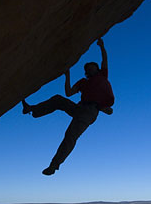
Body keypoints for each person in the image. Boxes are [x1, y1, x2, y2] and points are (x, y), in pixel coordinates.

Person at [22, 38, 115, 175]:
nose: (90, 68)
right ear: (86, 72)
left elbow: (105, 59)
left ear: (97, 68)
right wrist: (67, 75)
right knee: (58, 99)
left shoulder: (102, 75)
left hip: (89, 111)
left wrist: (102, 46)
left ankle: (53, 166)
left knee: (70, 136)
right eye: (88, 68)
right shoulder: (83, 82)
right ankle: (32, 109)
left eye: (92, 67)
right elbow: (68, 93)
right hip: (80, 108)